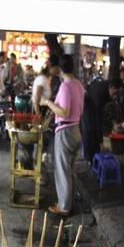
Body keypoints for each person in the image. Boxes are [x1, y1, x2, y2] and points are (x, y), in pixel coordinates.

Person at [45, 54, 85, 216]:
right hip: (76, 129)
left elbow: (64, 112)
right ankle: (68, 202)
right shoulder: (78, 85)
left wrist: (48, 103)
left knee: (62, 170)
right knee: (70, 169)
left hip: (65, 131)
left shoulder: (66, 86)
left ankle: (64, 206)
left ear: (60, 69)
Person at [80, 78, 122, 162]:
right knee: (90, 131)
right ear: (111, 88)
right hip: (86, 106)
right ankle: (89, 158)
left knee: (96, 131)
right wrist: (100, 140)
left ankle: (96, 155)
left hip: (93, 105)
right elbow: (98, 118)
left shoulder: (108, 88)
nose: (116, 96)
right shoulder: (99, 94)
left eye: (118, 94)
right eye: (115, 93)